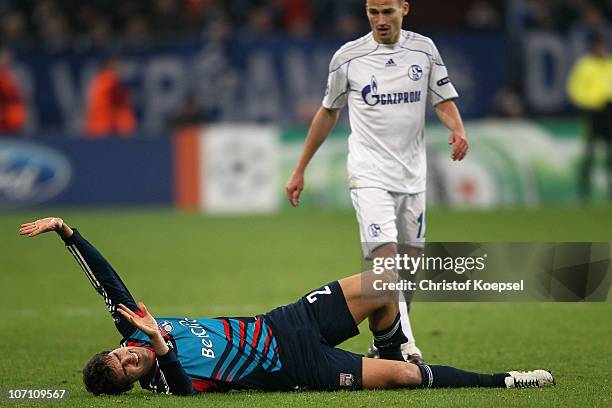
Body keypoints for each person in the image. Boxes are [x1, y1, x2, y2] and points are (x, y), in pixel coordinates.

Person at [19, 216, 554, 396]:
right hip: (298, 367)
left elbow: (107, 282)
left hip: (285, 321)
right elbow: (186, 393)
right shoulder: (166, 382)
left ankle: (390, 338)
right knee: (408, 381)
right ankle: (504, 380)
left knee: (384, 282)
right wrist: (161, 349)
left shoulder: (137, 329)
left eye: (121, 355)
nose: (130, 358)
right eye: (127, 370)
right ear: (132, 383)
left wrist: (69, 233)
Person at [286, 0, 469, 361]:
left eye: (387, 12)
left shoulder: (424, 50)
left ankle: (384, 340)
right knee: (387, 262)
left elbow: (443, 100)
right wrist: (300, 168)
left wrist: (458, 129)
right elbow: (327, 112)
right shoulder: (348, 57)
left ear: (404, 9)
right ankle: (406, 346)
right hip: (368, 174)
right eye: (373, 12)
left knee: (409, 266)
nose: (380, 20)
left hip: (412, 175)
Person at [567, 33, 612, 201]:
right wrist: (591, 102)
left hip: (609, 112)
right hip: (593, 113)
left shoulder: (610, 64)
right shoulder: (585, 66)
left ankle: (610, 189)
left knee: (609, 153)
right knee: (589, 152)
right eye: (598, 47)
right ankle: (584, 190)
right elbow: (575, 90)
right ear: (593, 48)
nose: (601, 50)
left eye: (603, 47)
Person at [84, 56, 137, 138]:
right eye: (116, 66)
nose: (119, 69)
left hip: (99, 126)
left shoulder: (99, 79)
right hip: (104, 126)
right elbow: (115, 99)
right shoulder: (109, 80)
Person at [0, 48, 27, 134]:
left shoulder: (18, 73)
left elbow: (22, 95)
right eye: (3, 57)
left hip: (14, 122)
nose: (6, 59)